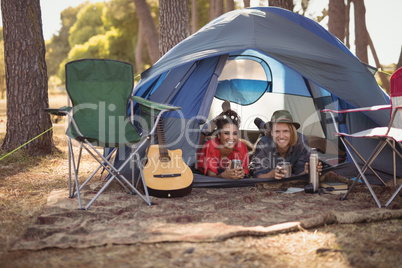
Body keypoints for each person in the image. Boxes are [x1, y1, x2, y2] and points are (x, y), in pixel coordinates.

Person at [252, 110, 322, 179]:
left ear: (292, 132)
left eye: (286, 131)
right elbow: (258, 175)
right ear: (272, 132)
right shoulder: (263, 144)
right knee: (263, 129)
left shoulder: (302, 142)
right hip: (268, 138)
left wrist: (306, 171)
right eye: (277, 131)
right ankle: (260, 123)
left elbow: (300, 171)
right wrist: (272, 174)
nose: (281, 136)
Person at [197, 109, 249, 179]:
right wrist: (223, 176)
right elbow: (211, 177)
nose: (231, 138)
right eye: (226, 133)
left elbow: (244, 171)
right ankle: (206, 130)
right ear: (218, 135)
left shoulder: (242, 147)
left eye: (235, 133)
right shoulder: (211, 146)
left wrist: (241, 173)